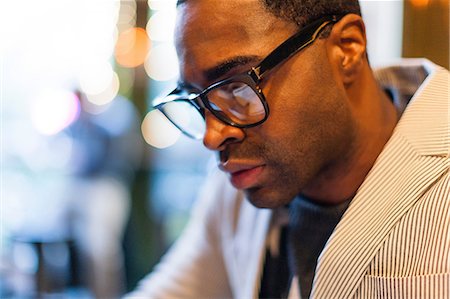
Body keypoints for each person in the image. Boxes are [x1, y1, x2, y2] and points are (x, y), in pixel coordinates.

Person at [128, 0, 449, 298]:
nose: (212, 137)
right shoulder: (239, 183)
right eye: (199, 99)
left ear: (346, 49)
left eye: (237, 87)